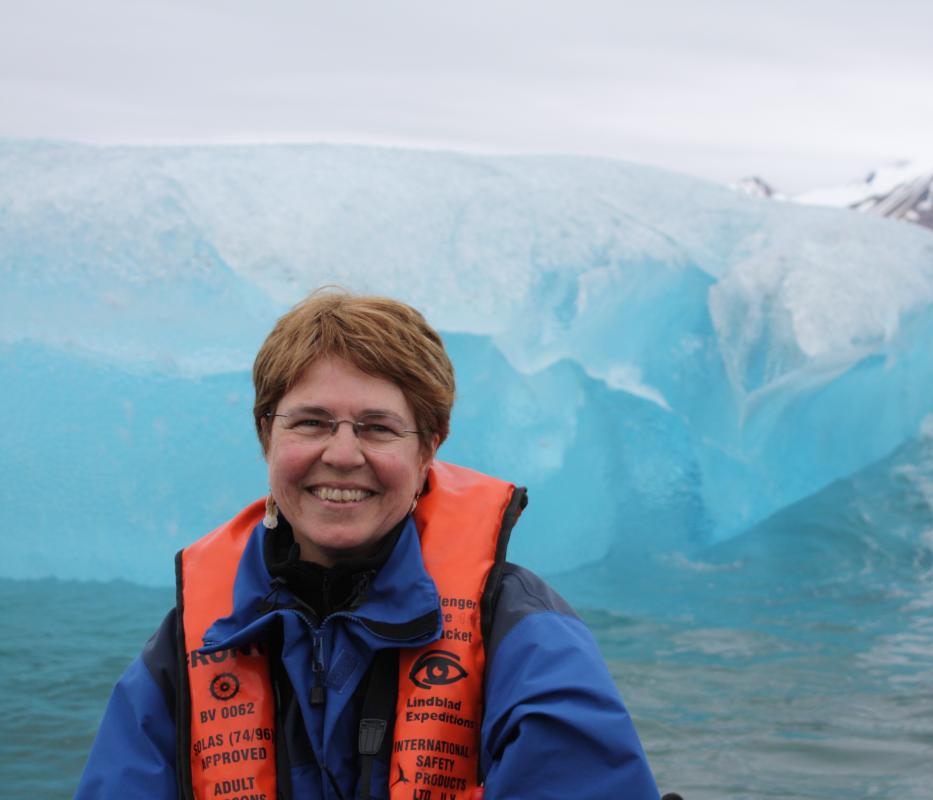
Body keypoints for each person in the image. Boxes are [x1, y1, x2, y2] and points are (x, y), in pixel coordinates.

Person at [76, 290, 662, 799]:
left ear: (428, 448)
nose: (342, 454)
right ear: (266, 434)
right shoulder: (187, 647)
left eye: (377, 428)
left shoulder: (519, 631)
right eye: (310, 422)